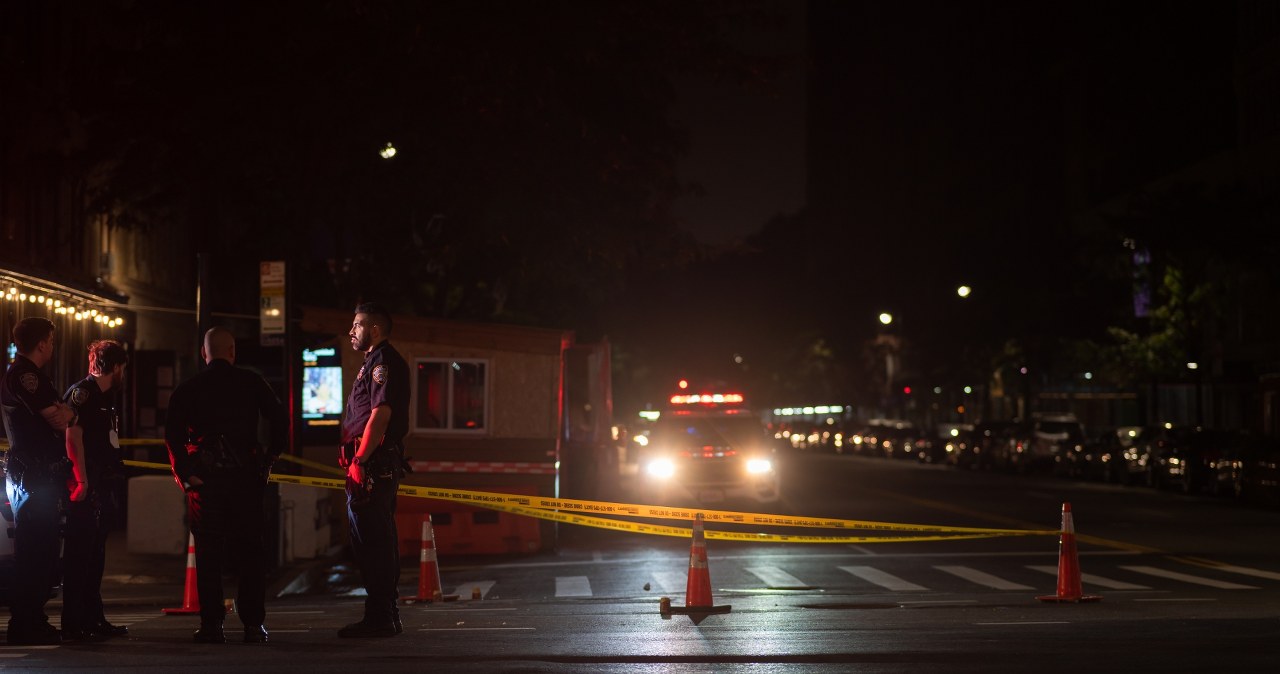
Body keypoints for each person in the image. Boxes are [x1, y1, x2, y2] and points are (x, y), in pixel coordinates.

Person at [164, 327, 286, 644]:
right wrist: (270, 457)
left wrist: (186, 474)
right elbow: (279, 418)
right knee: (251, 552)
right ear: (232, 351)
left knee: (208, 554)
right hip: (246, 478)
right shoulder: (252, 382)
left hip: (206, 480)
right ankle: (253, 624)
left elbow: (172, 437)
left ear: (204, 353)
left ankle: (211, 625)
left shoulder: (188, 389)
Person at [337, 302, 409, 638]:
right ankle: (384, 614)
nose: (352, 331)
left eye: (357, 324)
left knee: (373, 542)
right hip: (371, 464)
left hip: (372, 466)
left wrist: (360, 462)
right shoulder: (373, 363)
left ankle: (381, 616)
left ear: (375, 329)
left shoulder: (383, 363)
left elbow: (380, 416)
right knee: (373, 541)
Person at [0, 317, 74, 645]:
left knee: (38, 548)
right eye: (52, 341)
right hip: (34, 475)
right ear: (43, 343)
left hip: (31, 474)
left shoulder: (18, 373)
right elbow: (56, 418)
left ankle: (31, 618)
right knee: (36, 550)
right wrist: (70, 414)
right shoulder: (27, 375)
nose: (53, 347)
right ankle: (27, 622)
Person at [60, 339, 130, 641]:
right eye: (122, 369)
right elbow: (71, 437)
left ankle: (93, 618)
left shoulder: (104, 397)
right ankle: (74, 623)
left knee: (96, 555)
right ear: (115, 367)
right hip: (85, 489)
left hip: (101, 487)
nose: (123, 374)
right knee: (80, 557)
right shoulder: (83, 395)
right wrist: (82, 480)